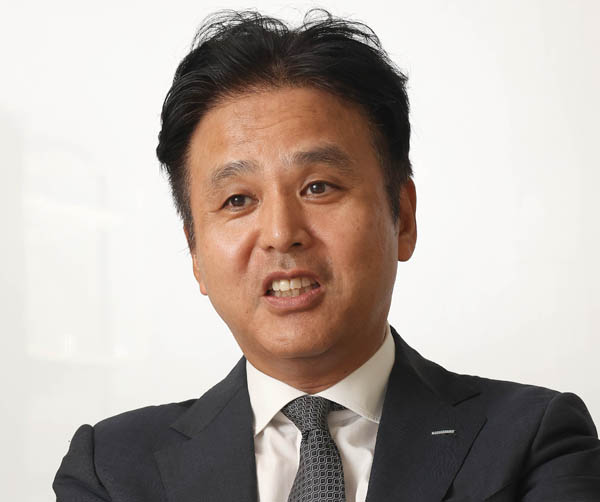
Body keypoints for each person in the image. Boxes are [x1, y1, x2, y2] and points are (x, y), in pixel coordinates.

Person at [53, 9, 600, 501]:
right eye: (238, 200)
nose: (280, 234)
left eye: (319, 187)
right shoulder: (112, 471)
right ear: (195, 251)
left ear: (403, 217)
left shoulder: (533, 442)